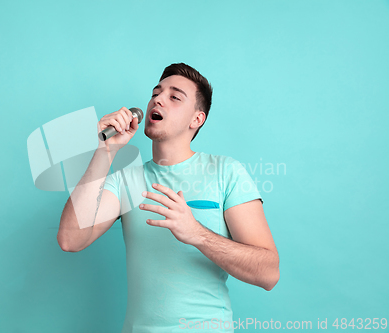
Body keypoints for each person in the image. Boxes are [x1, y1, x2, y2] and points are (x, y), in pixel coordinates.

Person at [57, 63, 280, 332]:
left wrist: (196, 233)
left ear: (196, 119)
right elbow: (70, 239)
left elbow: (268, 273)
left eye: (174, 97)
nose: (158, 99)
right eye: (156, 93)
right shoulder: (125, 181)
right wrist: (105, 151)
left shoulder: (226, 171)